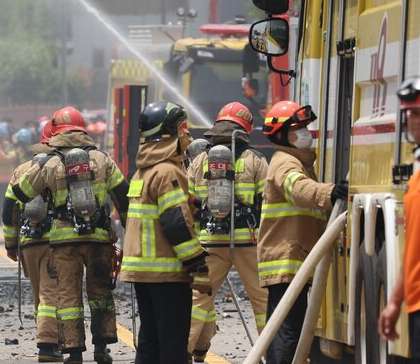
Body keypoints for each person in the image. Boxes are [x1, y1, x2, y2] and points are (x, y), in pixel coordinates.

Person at [13, 106, 129, 364]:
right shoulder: (102, 160)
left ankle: (74, 353)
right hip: (99, 239)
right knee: (100, 293)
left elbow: (21, 194)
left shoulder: (51, 162)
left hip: (64, 242)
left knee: (67, 297)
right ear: (82, 128)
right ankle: (102, 349)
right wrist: (130, 234)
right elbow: (123, 197)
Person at [258, 100, 347, 364]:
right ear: (282, 134)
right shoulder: (285, 163)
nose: (306, 133)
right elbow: (299, 190)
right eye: (299, 129)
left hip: (290, 256)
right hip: (284, 258)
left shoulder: (297, 161)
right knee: (289, 329)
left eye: (305, 127)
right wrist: (330, 192)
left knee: (284, 326)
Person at [120, 101, 208, 364]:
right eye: (184, 128)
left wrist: (189, 202)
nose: (188, 135)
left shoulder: (142, 174)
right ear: (173, 133)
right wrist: (197, 264)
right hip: (167, 273)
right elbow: (174, 223)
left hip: (142, 272)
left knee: (150, 341)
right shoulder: (168, 171)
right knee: (173, 343)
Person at [186, 102, 268, 362]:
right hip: (248, 242)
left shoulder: (199, 160)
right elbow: (267, 199)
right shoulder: (255, 160)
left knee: (198, 299)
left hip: (210, 240)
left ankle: (180, 353)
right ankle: (272, 355)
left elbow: (187, 200)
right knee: (262, 300)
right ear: (244, 130)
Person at [3, 121, 62, 363]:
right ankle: (48, 345)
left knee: (39, 295)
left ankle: (46, 336)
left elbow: (9, 209)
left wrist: (10, 243)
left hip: (28, 242)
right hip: (55, 241)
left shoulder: (21, 169)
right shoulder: (61, 167)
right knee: (52, 293)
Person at [379, 76, 420, 363]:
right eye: (413, 114)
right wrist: (395, 301)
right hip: (419, 307)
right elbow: (414, 250)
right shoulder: (419, 172)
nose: (418, 121)